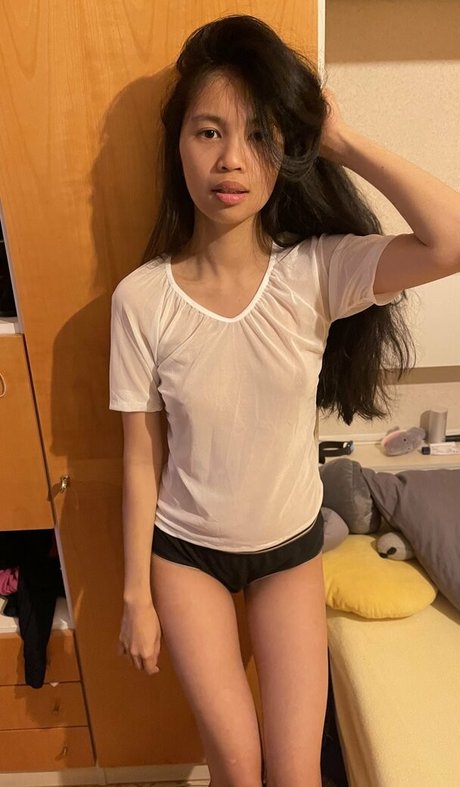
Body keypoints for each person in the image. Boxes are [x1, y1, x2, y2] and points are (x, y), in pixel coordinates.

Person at [109, 15, 460, 787]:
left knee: (296, 773)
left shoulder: (316, 273)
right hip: (187, 554)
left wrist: (341, 138)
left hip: (290, 549)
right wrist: (137, 596)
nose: (231, 159)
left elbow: (451, 239)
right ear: (178, 145)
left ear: (287, 150)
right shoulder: (141, 299)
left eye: (260, 135)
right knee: (238, 768)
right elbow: (140, 454)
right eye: (208, 132)